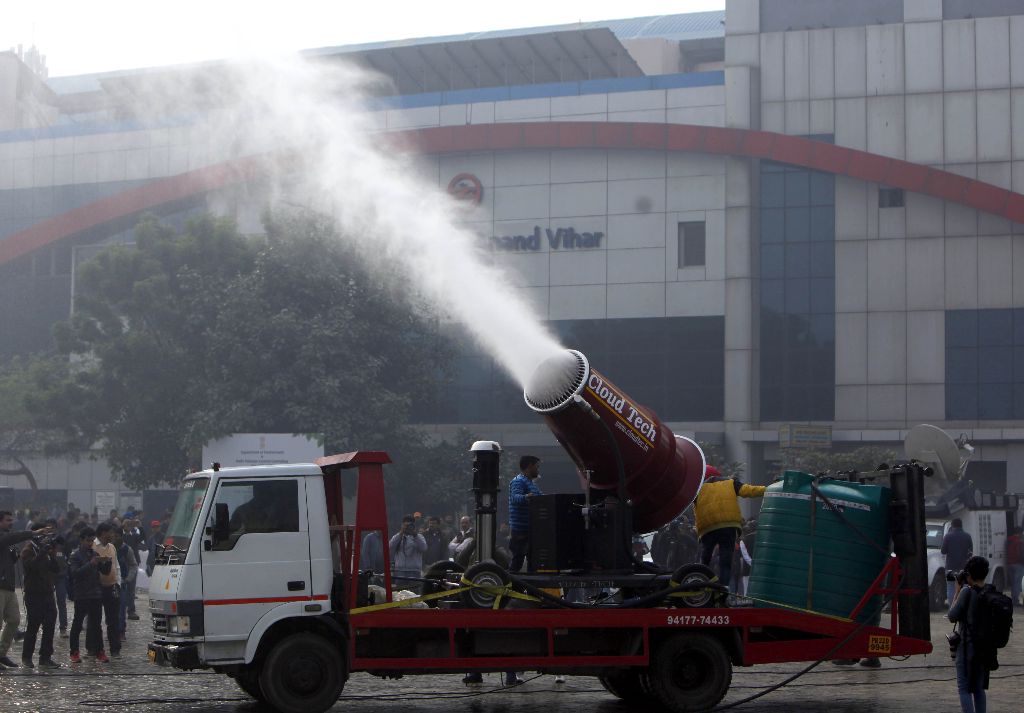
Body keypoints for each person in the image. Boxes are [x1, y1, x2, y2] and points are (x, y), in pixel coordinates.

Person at [693, 466, 766, 593]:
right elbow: (749, 490)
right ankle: (724, 589)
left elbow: (696, 510)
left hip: (708, 527)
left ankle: (700, 584)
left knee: (705, 558)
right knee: (725, 561)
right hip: (728, 525)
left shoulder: (698, 489)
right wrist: (769, 489)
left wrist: (699, 530)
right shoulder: (731, 483)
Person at [0, 511, 54, 668]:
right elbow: (11, 538)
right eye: (8, 520)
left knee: (14, 619)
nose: (11, 522)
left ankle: (1, 654)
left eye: (12, 520)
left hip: (8, 586)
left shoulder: (8, 539)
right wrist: (32, 533)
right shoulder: (5, 538)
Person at [948, 556, 995, 713]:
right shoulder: (989, 591)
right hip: (985, 648)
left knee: (964, 689)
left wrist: (957, 591)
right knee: (979, 689)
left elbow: (951, 616)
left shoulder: (967, 592)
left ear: (968, 575)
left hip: (967, 648)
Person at [68, 527, 109, 663]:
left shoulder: (94, 553)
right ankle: (74, 652)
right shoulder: (75, 555)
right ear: (81, 540)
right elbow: (75, 574)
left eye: (92, 540)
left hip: (95, 594)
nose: (90, 543)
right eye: (87, 540)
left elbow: (104, 572)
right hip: (82, 594)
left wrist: (106, 562)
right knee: (77, 624)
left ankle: (99, 651)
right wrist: (90, 564)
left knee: (96, 625)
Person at [20, 537, 61, 668]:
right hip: (34, 594)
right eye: (43, 537)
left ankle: (45, 657)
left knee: (49, 626)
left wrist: (52, 553)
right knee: (33, 626)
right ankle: (27, 657)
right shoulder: (28, 550)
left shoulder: (47, 552)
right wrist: (42, 553)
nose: (45, 540)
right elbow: (30, 566)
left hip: (48, 593)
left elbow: (56, 569)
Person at [508, 455, 542, 573]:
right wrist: (527, 497)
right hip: (520, 529)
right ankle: (511, 585)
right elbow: (515, 498)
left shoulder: (532, 484)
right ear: (529, 466)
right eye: (537, 467)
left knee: (533, 558)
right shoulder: (518, 481)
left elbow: (541, 499)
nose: (538, 470)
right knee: (518, 559)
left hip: (530, 528)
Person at [93, 523, 122, 657]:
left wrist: (118, 583)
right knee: (95, 620)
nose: (112, 535)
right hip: (97, 588)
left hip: (112, 586)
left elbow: (116, 566)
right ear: (103, 533)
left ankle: (115, 648)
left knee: (113, 620)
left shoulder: (112, 547)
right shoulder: (93, 546)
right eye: (110, 532)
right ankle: (96, 649)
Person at [389, 515, 427, 592]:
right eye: (406, 525)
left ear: (414, 526)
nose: (408, 527)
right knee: (400, 594)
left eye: (410, 525)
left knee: (415, 593)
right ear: (402, 525)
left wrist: (414, 535)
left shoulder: (419, 537)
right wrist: (401, 532)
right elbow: (390, 546)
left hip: (414, 570)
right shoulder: (398, 536)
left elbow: (424, 548)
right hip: (400, 570)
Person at [942, 518, 974, 608]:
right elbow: (970, 552)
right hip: (964, 567)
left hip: (950, 567)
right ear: (961, 525)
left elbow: (943, 551)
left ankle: (952, 609)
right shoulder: (967, 536)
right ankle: (964, 609)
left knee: (951, 587)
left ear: (952, 526)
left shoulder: (948, 536)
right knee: (964, 588)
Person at [113, 529, 137, 642]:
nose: (115, 538)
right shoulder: (108, 549)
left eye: (117, 536)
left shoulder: (127, 549)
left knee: (122, 608)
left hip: (122, 583)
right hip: (109, 582)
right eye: (114, 536)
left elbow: (133, 565)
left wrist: (128, 579)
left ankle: (121, 631)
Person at [1006, 526, 1023, 608]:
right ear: (1019, 533)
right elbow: (1020, 554)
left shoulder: (1008, 540)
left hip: (1009, 564)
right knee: (1017, 583)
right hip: (1018, 564)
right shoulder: (1019, 542)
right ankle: (1015, 601)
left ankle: (1013, 599)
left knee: (1013, 583)